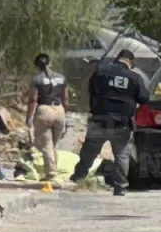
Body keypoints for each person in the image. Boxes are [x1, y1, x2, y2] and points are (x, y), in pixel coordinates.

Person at [71, 48, 149, 196]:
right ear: (130, 63)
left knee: (89, 152)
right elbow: (145, 99)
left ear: (117, 58)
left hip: (100, 120)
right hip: (122, 124)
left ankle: (78, 178)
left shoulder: (101, 72)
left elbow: (91, 88)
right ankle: (120, 187)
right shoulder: (135, 78)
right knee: (121, 156)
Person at [26, 53, 68, 182]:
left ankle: (51, 174)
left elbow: (33, 100)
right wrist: (63, 112)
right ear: (50, 63)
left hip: (44, 110)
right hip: (59, 109)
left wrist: (29, 117)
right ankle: (54, 169)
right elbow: (66, 99)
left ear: (37, 66)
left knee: (47, 145)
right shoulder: (61, 78)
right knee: (53, 145)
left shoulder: (37, 79)